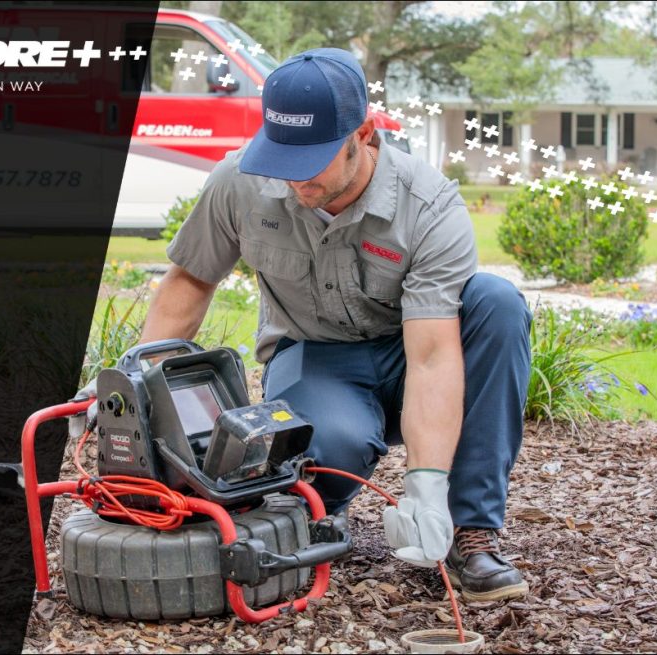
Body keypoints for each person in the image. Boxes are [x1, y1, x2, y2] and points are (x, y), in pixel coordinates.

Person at [139, 47, 533, 602]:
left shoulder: (428, 206)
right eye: (282, 154)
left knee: (497, 302)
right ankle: (322, 508)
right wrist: (139, 381)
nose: (294, 177)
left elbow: (432, 356)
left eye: (313, 158)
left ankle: (470, 531)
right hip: (315, 355)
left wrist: (424, 484)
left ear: (364, 134)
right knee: (331, 447)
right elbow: (191, 280)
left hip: (409, 356)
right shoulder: (241, 182)